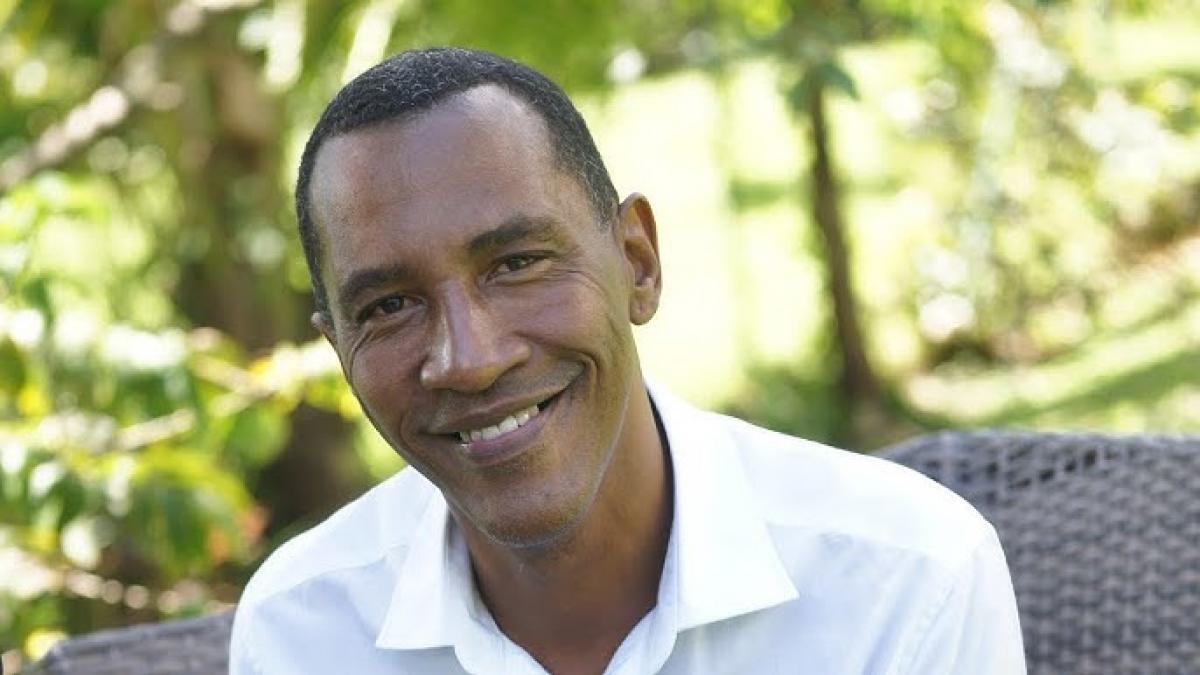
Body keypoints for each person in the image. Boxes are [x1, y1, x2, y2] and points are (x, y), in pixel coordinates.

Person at [229, 47, 1025, 675]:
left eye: (517, 263)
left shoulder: (906, 583)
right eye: (388, 306)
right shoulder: (299, 634)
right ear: (340, 351)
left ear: (637, 262)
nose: (469, 359)